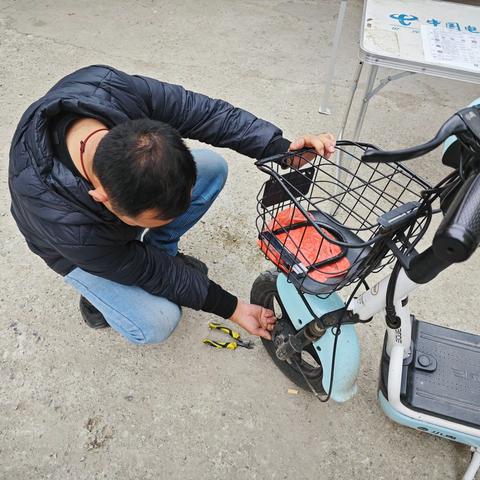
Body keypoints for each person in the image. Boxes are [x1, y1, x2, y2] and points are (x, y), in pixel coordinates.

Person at [9, 65, 335, 345]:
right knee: (157, 322)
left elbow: (203, 113)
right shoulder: (64, 222)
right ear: (102, 197)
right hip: (70, 250)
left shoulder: (109, 88)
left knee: (212, 167)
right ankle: (100, 297)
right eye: (152, 220)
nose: (168, 222)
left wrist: (279, 150)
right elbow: (150, 270)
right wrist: (232, 308)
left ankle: (157, 250)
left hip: (101, 225)